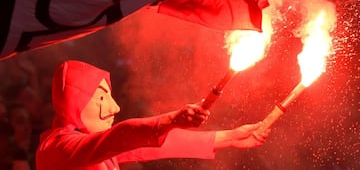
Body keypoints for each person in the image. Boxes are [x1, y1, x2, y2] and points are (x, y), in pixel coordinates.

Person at [36, 60, 270, 170]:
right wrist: (172, 119)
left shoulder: (99, 149)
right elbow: (123, 136)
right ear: (74, 101)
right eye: (100, 97)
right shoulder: (56, 149)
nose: (114, 107)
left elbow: (149, 145)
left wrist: (230, 137)